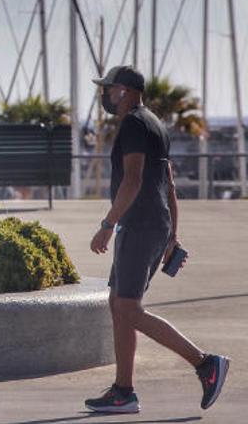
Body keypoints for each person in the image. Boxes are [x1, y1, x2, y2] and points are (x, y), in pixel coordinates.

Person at [85, 66, 230, 414]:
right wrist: (172, 234)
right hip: (152, 225)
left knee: (127, 307)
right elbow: (170, 185)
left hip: (139, 226)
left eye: (108, 89)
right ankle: (123, 392)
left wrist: (108, 223)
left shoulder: (135, 123)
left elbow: (133, 180)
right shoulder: (154, 122)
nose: (104, 95)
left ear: (123, 90)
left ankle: (205, 363)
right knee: (118, 303)